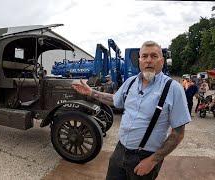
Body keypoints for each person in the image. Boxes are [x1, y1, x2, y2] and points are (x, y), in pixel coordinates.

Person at [72, 41, 190, 180]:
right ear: (139, 61)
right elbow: (115, 100)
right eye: (144, 56)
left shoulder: (173, 89)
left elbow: (178, 133)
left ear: (162, 61)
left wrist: (153, 160)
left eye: (154, 56)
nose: (148, 60)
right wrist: (91, 92)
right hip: (120, 150)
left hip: (145, 157)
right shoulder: (131, 82)